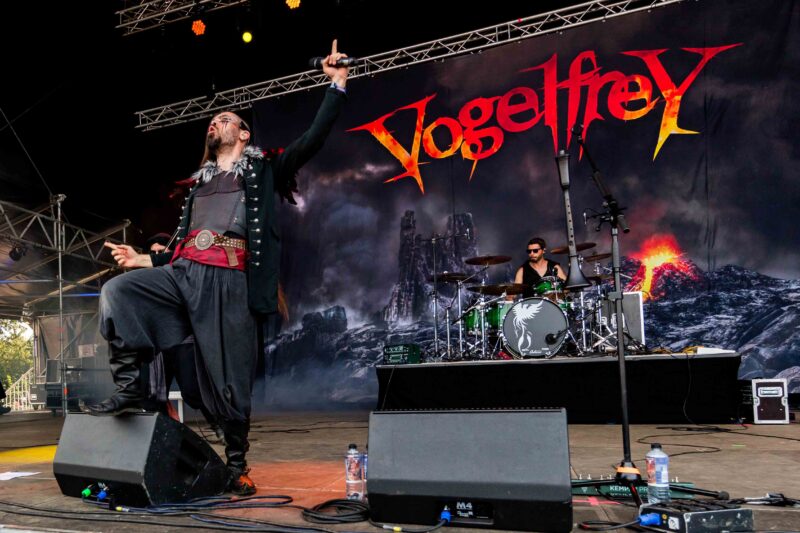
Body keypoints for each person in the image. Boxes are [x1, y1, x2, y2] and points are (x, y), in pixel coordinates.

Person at [85, 40, 349, 496]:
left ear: (244, 135)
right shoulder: (198, 186)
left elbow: (313, 139)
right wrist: (143, 259)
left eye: (226, 119)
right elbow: (183, 245)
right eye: (213, 120)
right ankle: (129, 387)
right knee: (119, 292)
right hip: (184, 273)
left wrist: (337, 83)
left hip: (229, 281)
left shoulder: (262, 169)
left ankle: (237, 464)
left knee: (227, 379)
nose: (216, 122)